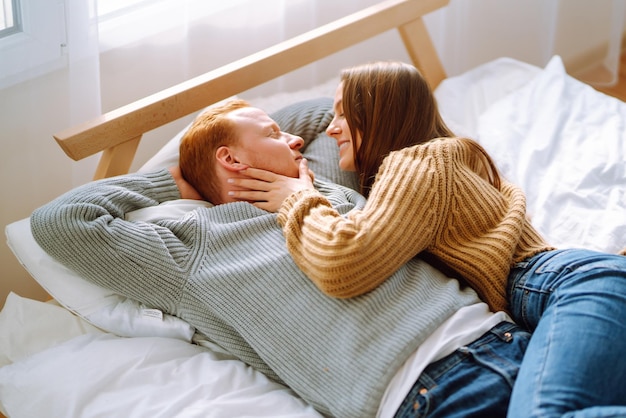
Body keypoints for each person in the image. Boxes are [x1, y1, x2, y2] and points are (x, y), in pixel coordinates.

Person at [31, 98, 530, 418]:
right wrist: (181, 176)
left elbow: (326, 114)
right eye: (272, 133)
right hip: (432, 389)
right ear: (231, 159)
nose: (293, 140)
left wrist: (283, 174)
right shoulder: (190, 246)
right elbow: (61, 220)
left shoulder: (322, 185)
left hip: (506, 332)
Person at [227, 62, 626, 417]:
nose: (329, 128)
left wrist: (297, 198)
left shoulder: (416, 163)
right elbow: (313, 116)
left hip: (565, 286)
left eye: (343, 115)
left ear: (377, 115)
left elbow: (345, 261)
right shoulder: (430, 164)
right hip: (563, 291)